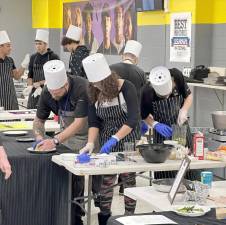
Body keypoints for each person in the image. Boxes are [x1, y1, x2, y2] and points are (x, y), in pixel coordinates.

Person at [81, 53, 140, 225]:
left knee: (128, 178)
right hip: (107, 137)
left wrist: (115, 138)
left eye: (101, 84)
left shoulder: (126, 87)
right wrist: (90, 143)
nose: (98, 87)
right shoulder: (92, 91)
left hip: (127, 138)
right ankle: (105, 217)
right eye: (95, 84)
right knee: (106, 181)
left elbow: (133, 118)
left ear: (109, 80)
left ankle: (130, 218)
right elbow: (93, 121)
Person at [32, 60, 89, 225]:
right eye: (51, 93)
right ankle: (64, 211)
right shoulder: (48, 91)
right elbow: (38, 121)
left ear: (66, 85)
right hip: (65, 135)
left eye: (57, 93)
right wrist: (40, 138)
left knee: (81, 176)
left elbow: (79, 123)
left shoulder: (81, 87)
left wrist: (55, 140)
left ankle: (78, 215)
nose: (53, 96)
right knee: (64, 173)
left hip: (86, 135)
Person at [141, 66, 193, 178]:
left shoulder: (177, 76)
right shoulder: (146, 92)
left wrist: (184, 110)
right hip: (161, 136)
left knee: (186, 166)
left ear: (172, 82)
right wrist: (155, 124)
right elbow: (144, 115)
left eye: (168, 94)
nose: (166, 98)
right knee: (165, 171)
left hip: (181, 129)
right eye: (162, 96)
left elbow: (188, 96)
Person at [110, 40, 146, 195]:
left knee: (111, 159)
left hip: (112, 119)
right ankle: (126, 189)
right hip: (133, 121)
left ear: (122, 55)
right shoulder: (141, 72)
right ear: (136, 59)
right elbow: (143, 98)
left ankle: (110, 187)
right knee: (129, 158)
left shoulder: (111, 68)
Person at [24, 29, 59, 109]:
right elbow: (30, 76)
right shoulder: (33, 57)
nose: (37, 46)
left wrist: (40, 84)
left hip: (49, 93)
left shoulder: (53, 57)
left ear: (46, 44)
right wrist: (29, 86)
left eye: (40, 44)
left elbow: (55, 77)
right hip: (34, 93)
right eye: (36, 44)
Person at [0, 30, 30, 110]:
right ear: (1, 46)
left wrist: (23, 65)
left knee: (12, 120)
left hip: (10, 97)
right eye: (8, 46)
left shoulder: (10, 60)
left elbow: (16, 76)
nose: (10, 48)